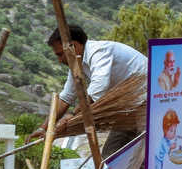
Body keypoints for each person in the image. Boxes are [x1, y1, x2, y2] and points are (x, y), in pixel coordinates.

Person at [48, 24, 148, 153]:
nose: (59, 60)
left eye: (61, 54)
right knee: (110, 154)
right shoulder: (76, 64)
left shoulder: (99, 51)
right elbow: (66, 97)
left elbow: (98, 86)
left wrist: (71, 116)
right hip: (128, 109)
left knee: (143, 153)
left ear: (73, 46)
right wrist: (43, 128)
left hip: (148, 101)